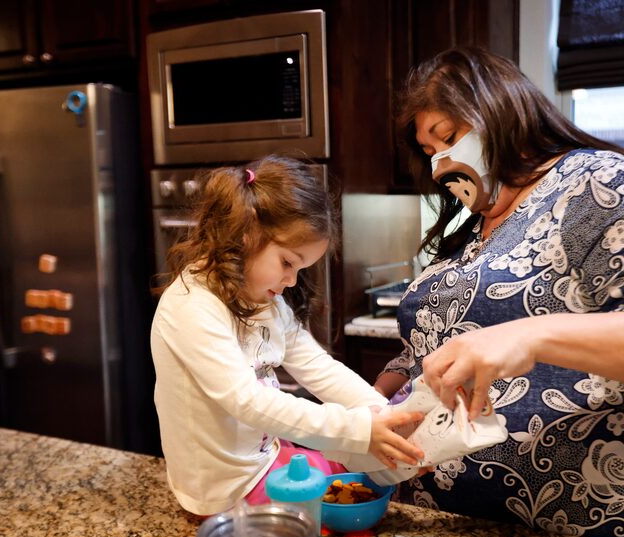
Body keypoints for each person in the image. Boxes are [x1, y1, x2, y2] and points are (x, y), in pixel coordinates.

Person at [373, 46, 624, 537]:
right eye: (427, 149)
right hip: (467, 532)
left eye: (449, 137)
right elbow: (445, 341)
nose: (440, 163)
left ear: (501, 111)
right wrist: (378, 399)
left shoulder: (599, 187)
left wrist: (531, 334)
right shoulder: (475, 228)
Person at [151, 156, 424, 516]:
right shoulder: (191, 306)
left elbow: (317, 366)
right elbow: (248, 402)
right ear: (246, 234)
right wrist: (360, 428)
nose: (292, 281)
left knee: (373, 462)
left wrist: (389, 419)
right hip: (224, 489)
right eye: (287, 262)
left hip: (264, 462)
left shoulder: (262, 298)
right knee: (356, 470)